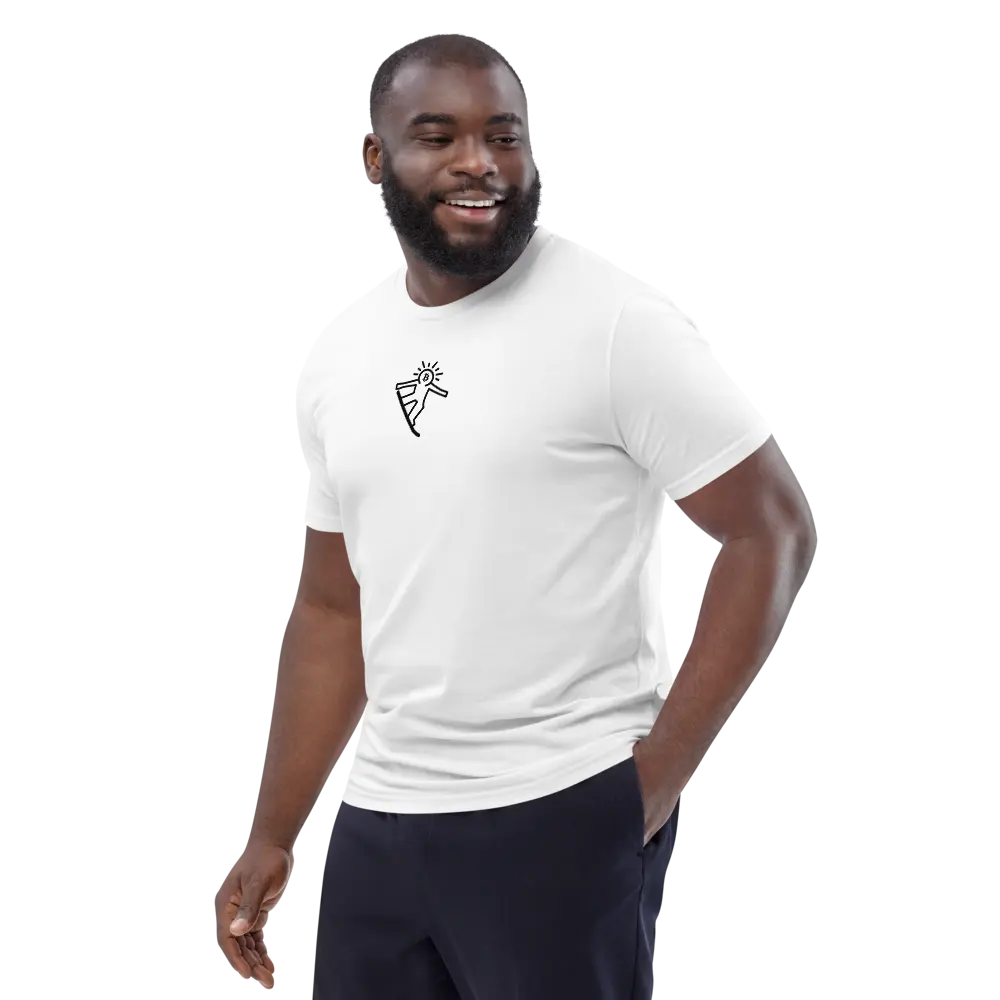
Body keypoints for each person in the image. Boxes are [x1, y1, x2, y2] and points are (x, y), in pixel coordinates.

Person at [213, 29, 816, 999]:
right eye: (437, 136)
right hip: (379, 823)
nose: (478, 162)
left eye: (503, 136)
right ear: (374, 158)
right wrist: (275, 830)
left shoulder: (612, 318)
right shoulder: (340, 350)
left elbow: (769, 528)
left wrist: (652, 782)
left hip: (560, 809)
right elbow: (333, 603)